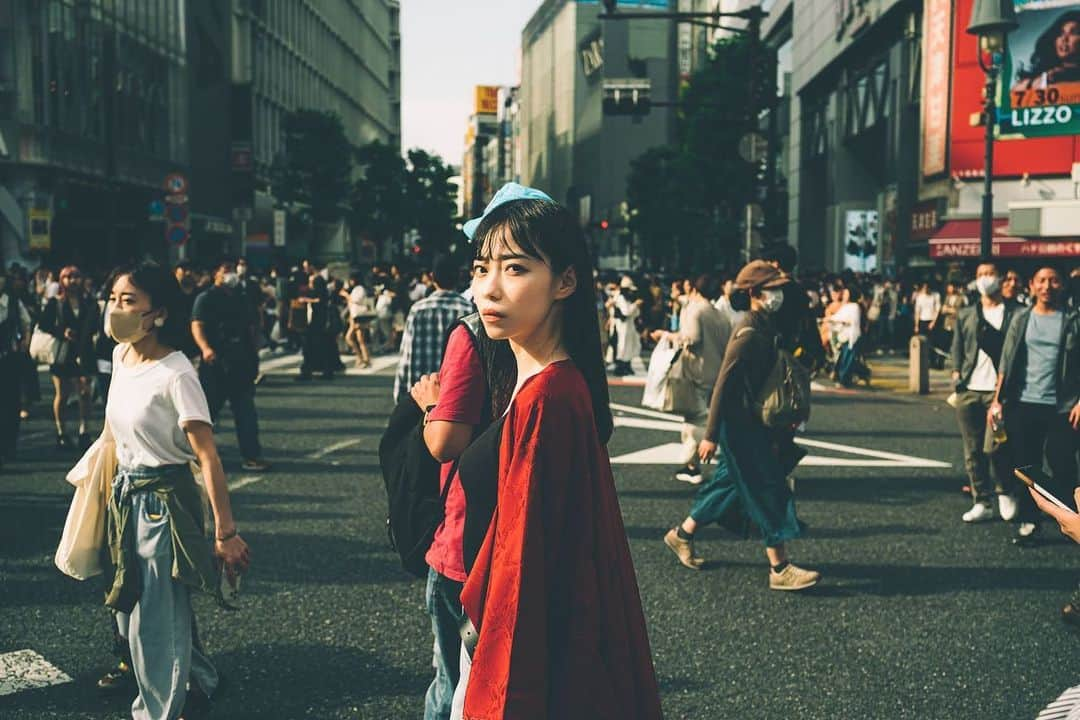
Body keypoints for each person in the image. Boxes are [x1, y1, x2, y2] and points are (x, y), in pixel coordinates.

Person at [448, 186, 662, 719]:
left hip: (514, 651)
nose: (488, 289)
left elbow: (527, 563)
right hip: (502, 637)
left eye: (516, 269)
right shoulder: (538, 386)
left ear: (565, 281)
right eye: (481, 268)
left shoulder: (548, 397)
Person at [99, 261, 249, 720]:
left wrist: (225, 533)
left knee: (152, 618)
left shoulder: (176, 373)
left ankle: (158, 711)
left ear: (158, 313)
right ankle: (199, 680)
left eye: (129, 302)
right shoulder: (123, 358)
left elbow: (207, 456)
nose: (116, 310)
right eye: (113, 300)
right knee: (130, 608)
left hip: (163, 503)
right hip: (123, 495)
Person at [664, 260, 820, 591]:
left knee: (730, 485)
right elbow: (723, 384)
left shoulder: (767, 325)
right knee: (767, 488)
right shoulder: (748, 332)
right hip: (738, 426)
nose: (777, 295)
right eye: (771, 290)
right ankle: (780, 568)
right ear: (753, 294)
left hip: (752, 423)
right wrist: (709, 437)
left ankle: (682, 534)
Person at [992, 264, 1080, 546]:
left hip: (1062, 406)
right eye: (1041, 280)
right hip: (1023, 402)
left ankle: (1073, 519)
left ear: (1062, 286)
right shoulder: (1021, 318)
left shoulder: (1073, 320)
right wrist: (996, 400)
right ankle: (1030, 519)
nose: (1047, 286)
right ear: (1031, 285)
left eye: (1053, 280)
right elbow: (1006, 361)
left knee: (1062, 461)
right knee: (1026, 466)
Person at [950, 262, 1020, 524]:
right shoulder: (967, 313)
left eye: (989, 273)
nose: (985, 279)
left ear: (1000, 277)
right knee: (973, 450)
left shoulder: (1015, 313)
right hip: (969, 389)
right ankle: (982, 500)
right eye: (980, 275)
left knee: (996, 446)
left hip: (998, 392)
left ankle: (1005, 491)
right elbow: (958, 346)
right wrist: (956, 372)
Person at [191, 259, 271, 472]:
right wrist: (206, 348)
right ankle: (191, 455)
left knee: (246, 411)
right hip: (215, 362)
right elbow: (197, 325)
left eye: (233, 269)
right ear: (215, 274)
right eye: (226, 270)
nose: (232, 274)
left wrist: (255, 351)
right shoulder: (206, 298)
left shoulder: (242, 298)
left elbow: (253, 325)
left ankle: (252, 456)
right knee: (205, 414)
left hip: (240, 362)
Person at [651, 274, 731, 485]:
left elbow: (692, 338)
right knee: (705, 417)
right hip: (717, 372)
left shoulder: (696, 310)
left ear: (695, 289)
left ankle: (692, 465)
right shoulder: (719, 314)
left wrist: (667, 336)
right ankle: (695, 463)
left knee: (695, 419)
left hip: (698, 371)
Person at [392, 257, 473, 404]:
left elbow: (406, 355)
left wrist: (400, 395)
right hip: (456, 395)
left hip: (420, 394)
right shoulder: (469, 309)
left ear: (432, 277)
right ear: (458, 277)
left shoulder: (418, 309)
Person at [39, 265, 100, 449]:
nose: (72, 281)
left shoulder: (88, 301)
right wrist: (61, 332)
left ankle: (84, 431)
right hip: (63, 353)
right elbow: (43, 324)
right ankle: (61, 432)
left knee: (85, 393)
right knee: (63, 394)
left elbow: (95, 323)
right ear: (61, 280)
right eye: (68, 277)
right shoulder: (55, 302)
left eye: (76, 277)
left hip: (84, 351)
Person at [0, 268, 31, 468]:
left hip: (10, 360)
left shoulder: (12, 302)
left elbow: (27, 324)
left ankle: (9, 447)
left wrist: (24, 346)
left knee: (10, 404)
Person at [1012, 11, 1080, 90]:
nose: (1064, 39)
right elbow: (1013, 95)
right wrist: (1038, 82)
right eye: (1061, 33)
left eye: (1073, 33)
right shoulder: (1042, 76)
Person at [828, 286, 869, 387]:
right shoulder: (846, 306)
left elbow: (853, 322)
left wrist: (839, 321)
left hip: (852, 336)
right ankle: (860, 375)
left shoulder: (855, 307)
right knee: (846, 358)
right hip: (844, 336)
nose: (844, 295)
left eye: (846, 294)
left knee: (848, 359)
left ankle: (844, 379)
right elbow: (836, 316)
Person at [608, 275, 642, 376]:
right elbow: (626, 312)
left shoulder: (628, 299)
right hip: (621, 326)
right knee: (622, 346)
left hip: (629, 325)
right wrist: (635, 304)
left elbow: (635, 314)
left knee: (630, 345)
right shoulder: (621, 298)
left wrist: (636, 306)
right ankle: (620, 367)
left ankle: (627, 365)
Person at [342, 273, 372, 369]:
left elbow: (357, 300)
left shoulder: (360, 289)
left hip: (359, 317)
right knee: (356, 338)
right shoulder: (356, 289)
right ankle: (362, 358)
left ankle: (363, 358)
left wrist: (346, 295)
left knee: (356, 338)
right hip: (354, 316)